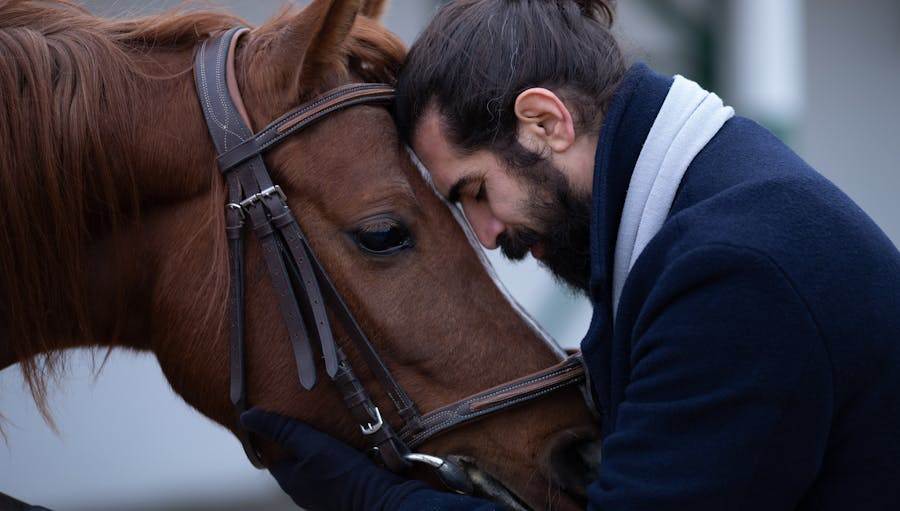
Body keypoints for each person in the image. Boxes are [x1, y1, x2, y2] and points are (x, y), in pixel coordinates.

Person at [242, 1, 900, 509]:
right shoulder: (711, 196)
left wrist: (365, 496)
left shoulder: (737, 274)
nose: (488, 233)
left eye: (476, 191)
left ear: (546, 123)